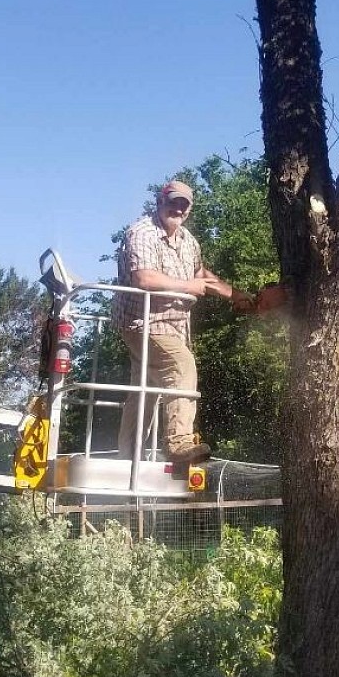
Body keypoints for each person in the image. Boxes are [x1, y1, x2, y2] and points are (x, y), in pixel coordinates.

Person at [113, 180, 253, 465]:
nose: (178, 208)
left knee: (145, 391)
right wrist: (188, 287)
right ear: (160, 202)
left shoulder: (188, 240)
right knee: (181, 366)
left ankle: (127, 459)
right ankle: (178, 444)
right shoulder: (142, 233)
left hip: (175, 326)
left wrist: (237, 295)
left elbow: (202, 274)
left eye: (184, 204)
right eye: (173, 201)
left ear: (189, 209)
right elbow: (144, 278)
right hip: (144, 323)